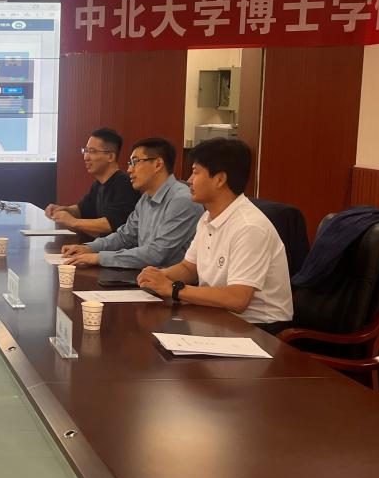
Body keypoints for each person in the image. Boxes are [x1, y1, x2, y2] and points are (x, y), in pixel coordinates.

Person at [138, 138, 293, 333]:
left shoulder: (249, 227)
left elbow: (238, 299)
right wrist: (160, 276)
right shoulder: (208, 217)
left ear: (219, 179)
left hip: (258, 328)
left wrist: (173, 289)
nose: (189, 180)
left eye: (195, 172)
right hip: (217, 316)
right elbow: (189, 268)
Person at [63, 137, 202, 269]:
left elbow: (157, 254)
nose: (129, 169)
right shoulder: (146, 198)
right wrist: (89, 248)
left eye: (135, 162)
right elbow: (125, 237)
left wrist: (99, 257)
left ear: (158, 164)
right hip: (146, 276)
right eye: (130, 163)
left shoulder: (182, 200)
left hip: (170, 282)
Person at [45, 127, 139, 237]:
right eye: (85, 151)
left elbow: (112, 224)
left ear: (110, 156)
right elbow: (82, 209)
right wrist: (63, 209)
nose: (86, 157)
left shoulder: (124, 183)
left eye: (92, 151)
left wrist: (73, 222)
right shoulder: (98, 184)